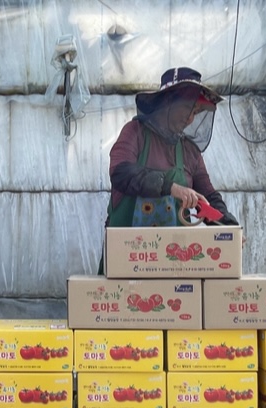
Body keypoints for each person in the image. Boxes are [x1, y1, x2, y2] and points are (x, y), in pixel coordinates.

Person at [99, 67, 240, 273]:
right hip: (126, 260)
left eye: (196, 112)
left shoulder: (190, 152)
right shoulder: (135, 132)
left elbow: (209, 197)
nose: (190, 119)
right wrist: (172, 188)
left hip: (173, 266)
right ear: (167, 102)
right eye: (187, 108)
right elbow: (121, 173)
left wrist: (230, 229)